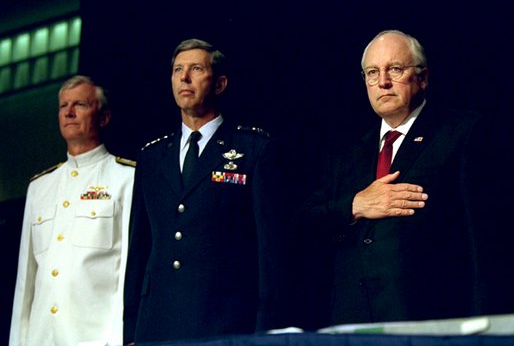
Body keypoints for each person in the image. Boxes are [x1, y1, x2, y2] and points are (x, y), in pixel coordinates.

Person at [297, 30, 485, 328]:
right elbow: (304, 221)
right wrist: (355, 205)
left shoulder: (462, 133)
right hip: (352, 320)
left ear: (422, 78)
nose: (383, 81)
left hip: (432, 317)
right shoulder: (347, 150)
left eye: (395, 69)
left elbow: (482, 240)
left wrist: (481, 324)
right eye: (372, 73)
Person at [123, 38, 291, 344]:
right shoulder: (151, 157)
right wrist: (131, 329)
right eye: (177, 70)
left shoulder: (253, 150)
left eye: (196, 69)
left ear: (219, 83)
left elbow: (270, 252)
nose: (184, 78)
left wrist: (266, 329)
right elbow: (140, 249)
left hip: (225, 322)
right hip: (157, 323)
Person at [9, 75, 135, 346]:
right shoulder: (40, 186)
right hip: (41, 337)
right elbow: (26, 280)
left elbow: (127, 267)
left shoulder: (126, 178)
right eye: (63, 106)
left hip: (94, 337)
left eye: (80, 104)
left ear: (103, 117)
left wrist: (119, 338)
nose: (68, 112)